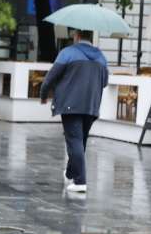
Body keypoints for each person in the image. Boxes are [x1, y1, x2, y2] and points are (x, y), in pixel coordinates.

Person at [39, 29, 108, 194]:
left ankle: (80, 181)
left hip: (70, 103)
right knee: (80, 140)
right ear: (91, 38)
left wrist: (43, 94)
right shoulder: (101, 57)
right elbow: (104, 82)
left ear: (77, 37)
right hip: (91, 105)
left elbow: (51, 77)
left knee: (75, 140)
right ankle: (71, 172)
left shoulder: (67, 53)